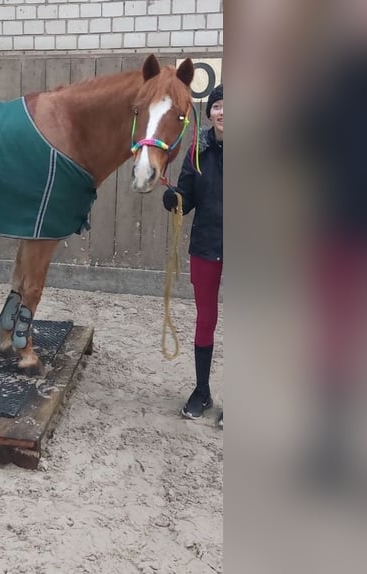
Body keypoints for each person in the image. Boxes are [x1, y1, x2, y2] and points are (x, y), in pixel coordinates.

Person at [162, 84, 223, 425]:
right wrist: (175, 199)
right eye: (217, 106)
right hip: (207, 245)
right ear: (210, 111)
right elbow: (187, 195)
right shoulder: (197, 150)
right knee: (205, 319)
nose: (224, 112)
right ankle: (202, 390)